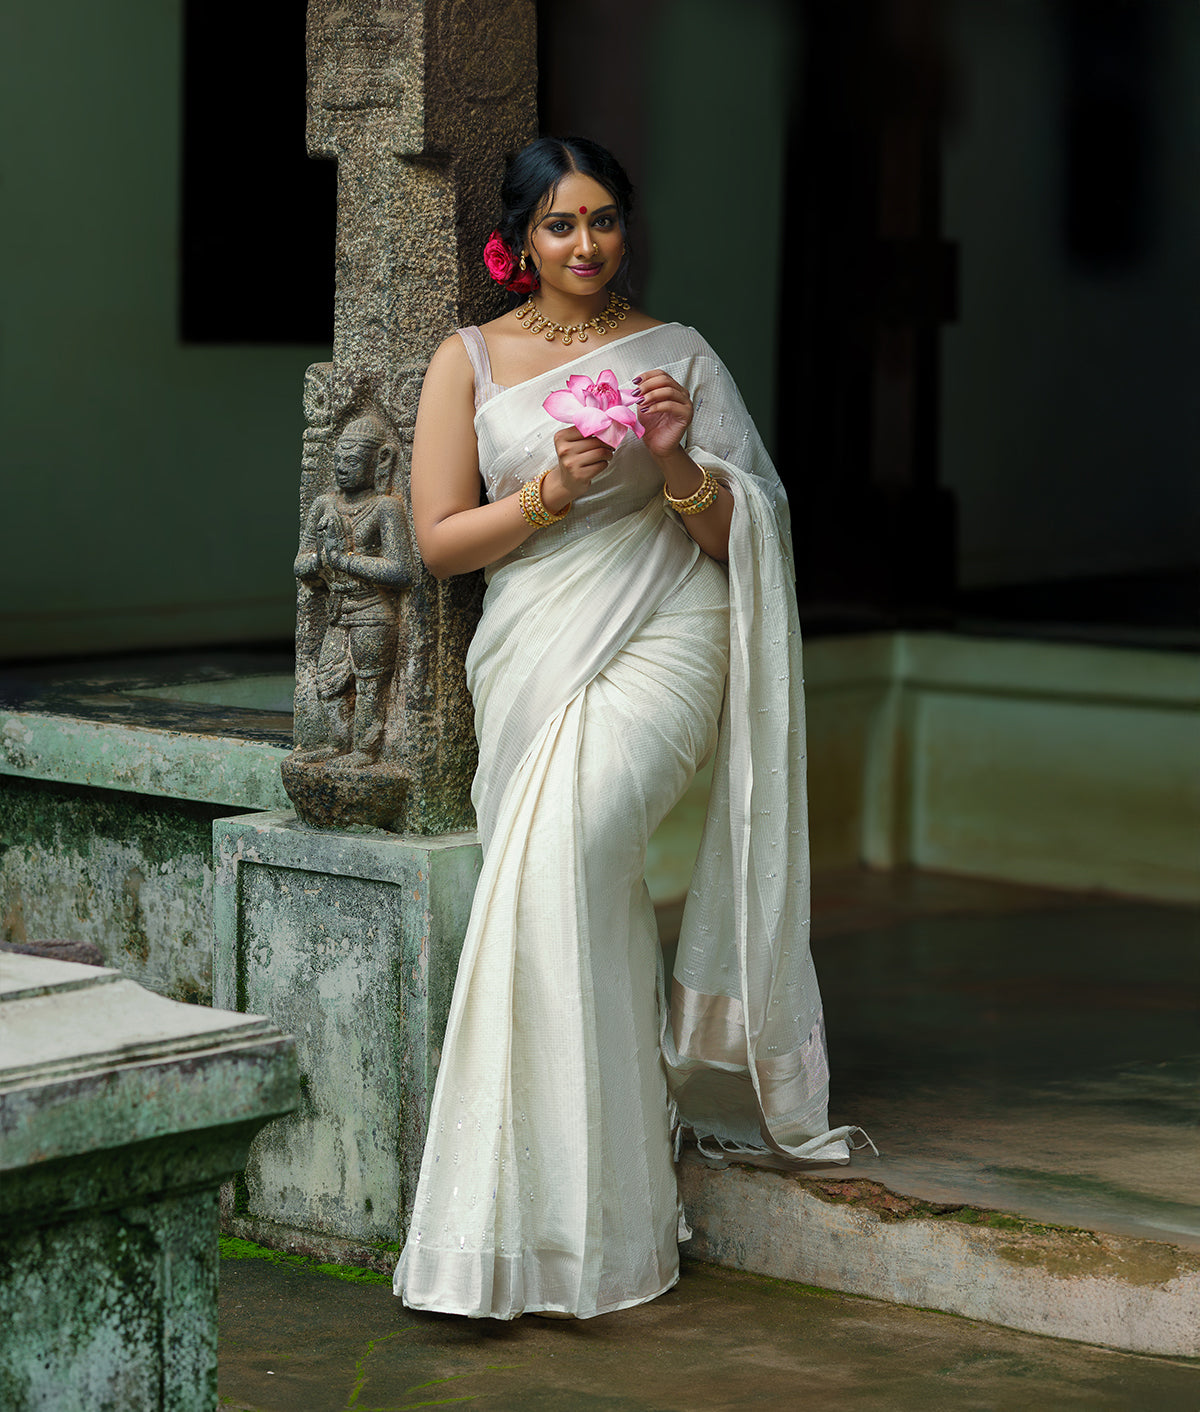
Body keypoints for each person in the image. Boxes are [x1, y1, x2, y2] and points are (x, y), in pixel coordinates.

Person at [393, 136, 866, 1321]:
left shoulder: (680, 356)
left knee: (570, 852)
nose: (588, 244)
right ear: (522, 239)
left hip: (670, 627)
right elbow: (438, 540)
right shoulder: (466, 362)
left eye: (604, 220)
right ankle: (572, 1219)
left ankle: (586, 1215)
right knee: (558, 884)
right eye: (562, 224)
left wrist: (674, 459)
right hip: (534, 642)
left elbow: (742, 539)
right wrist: (546, 491)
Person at [293, 414, 409, 767]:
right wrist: (323, 559)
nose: (343, 468)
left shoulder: (385, 507)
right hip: (338, 611)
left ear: (377, 462)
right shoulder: (324, 505)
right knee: (329, 685)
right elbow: (301, 564)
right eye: (339, 461)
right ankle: (338, 742)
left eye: (353, 461)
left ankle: (365, 749)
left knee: (370, 685)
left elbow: (400, 570)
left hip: (373, 612)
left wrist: (344, 560)